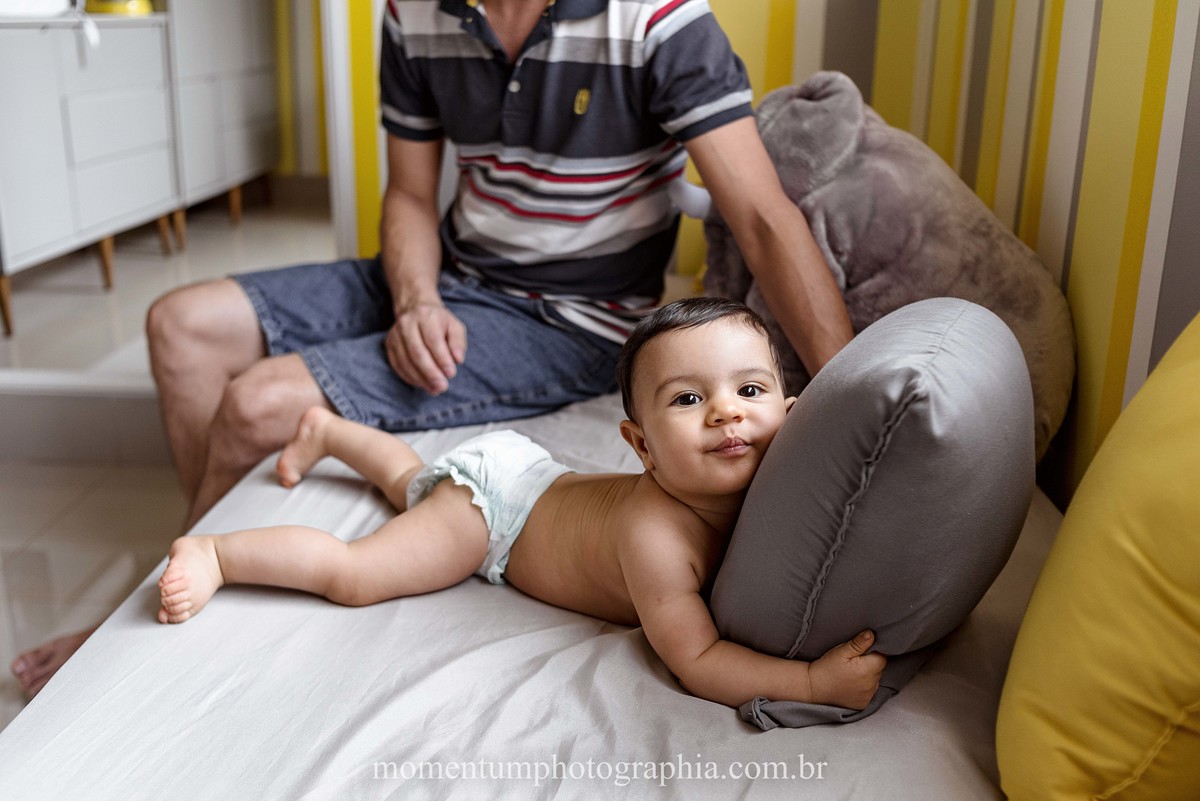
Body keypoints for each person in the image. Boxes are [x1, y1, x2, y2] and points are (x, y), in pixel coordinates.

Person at [13, 0, 853, 696]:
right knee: (180, 321)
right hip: (450, 272)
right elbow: (411, 194)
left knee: (257, 402)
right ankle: (183, 567)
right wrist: (415, 299)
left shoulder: (658, 22)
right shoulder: (412, 13)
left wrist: (858, 391)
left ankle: (140, 629)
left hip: (569, 315)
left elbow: (764, 218)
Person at [155, 299, 885, 709]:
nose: (728, 413)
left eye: (750, 391)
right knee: (359, 572)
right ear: (640, 446)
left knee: (415, 483)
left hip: (530, 475)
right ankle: (219, 550)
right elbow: (696, 657)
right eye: (689, 399)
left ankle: (329, 431)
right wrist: (809, 683)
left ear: (792, 410)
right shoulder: (655, 533)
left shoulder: (781, 472)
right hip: (497, 516)